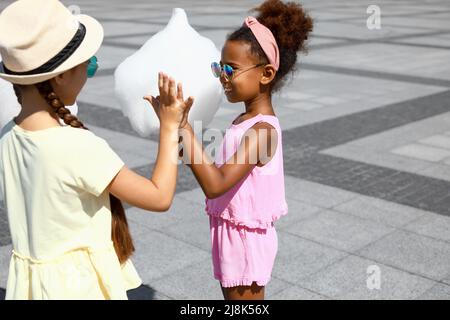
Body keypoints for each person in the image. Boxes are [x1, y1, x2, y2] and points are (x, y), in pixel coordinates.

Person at [0, 0, 193, 299]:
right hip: (80, 287)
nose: (89, 70)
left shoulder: (7, 136)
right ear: (61, 76)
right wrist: (170, 127)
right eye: (86, 64)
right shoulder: (77, 146)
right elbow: (159, 196)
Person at [175, 0, 313, 300]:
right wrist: (178, 134)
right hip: (231, 232)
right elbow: (216, 176)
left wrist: (184, 129)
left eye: (231, 69)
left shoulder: (261, 132)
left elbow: (215, 185)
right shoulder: (244, 119)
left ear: (265, 74)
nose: (223, 76)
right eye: (219, 68)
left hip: (245, 240)